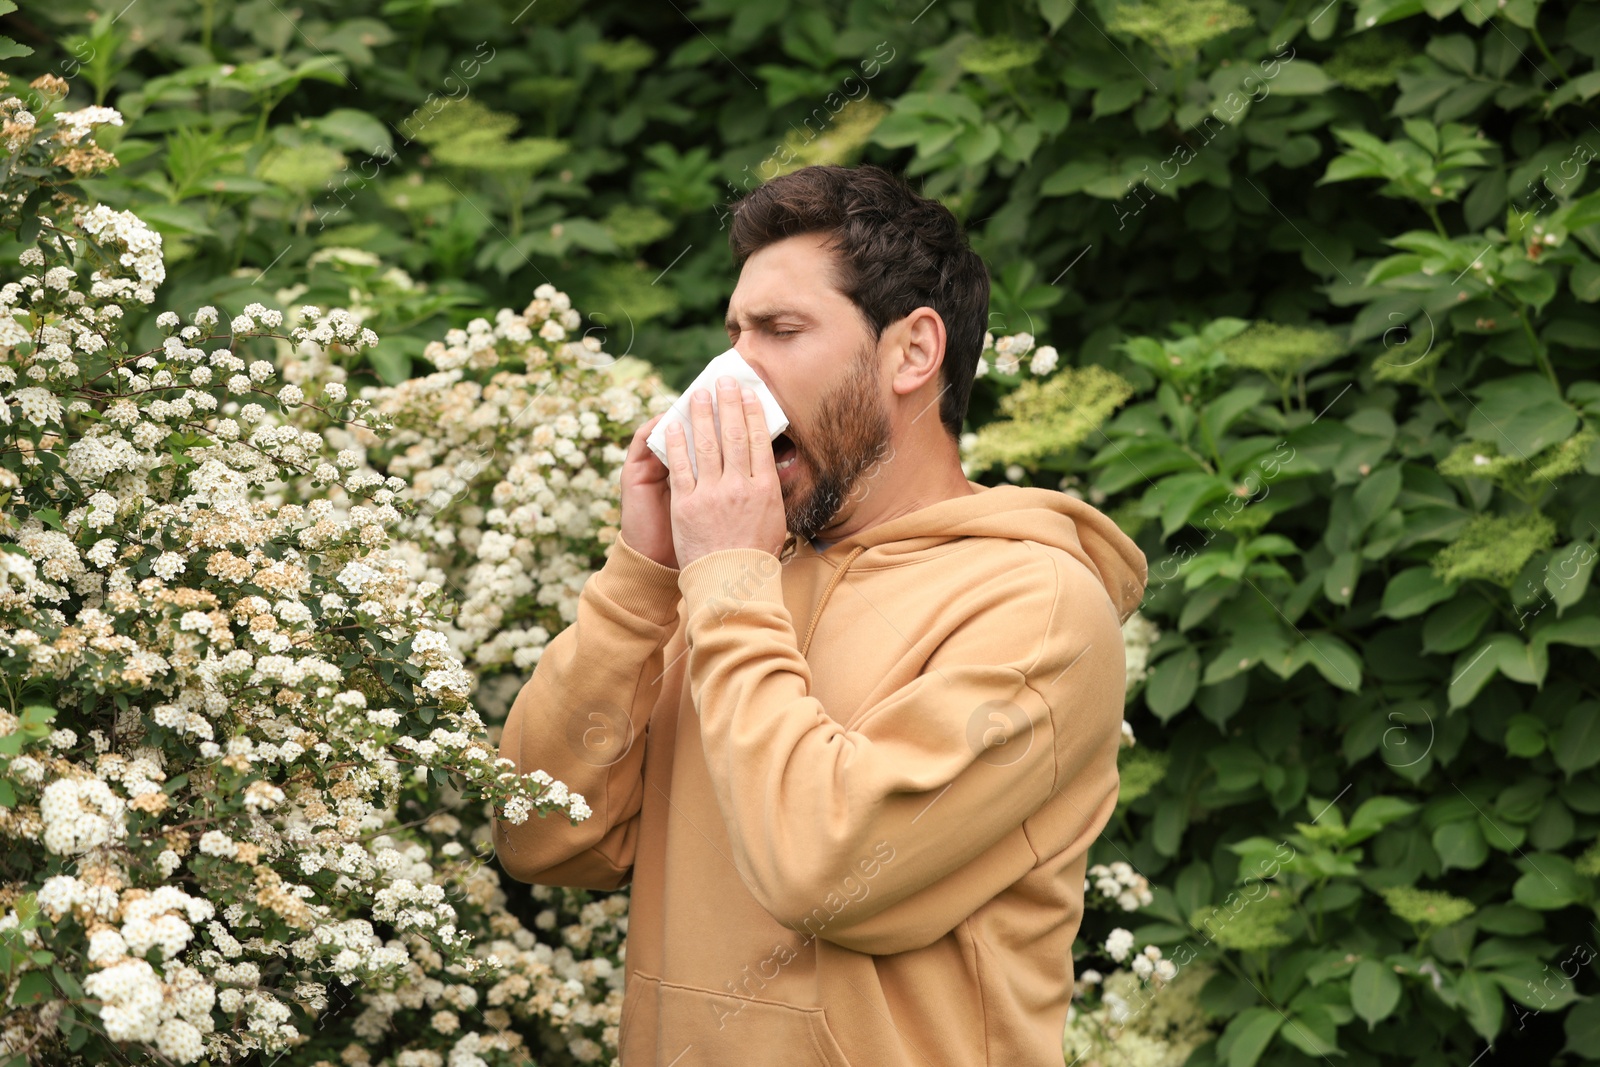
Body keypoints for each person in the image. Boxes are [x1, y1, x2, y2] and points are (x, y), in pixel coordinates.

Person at [494, 163, 1148, 1066]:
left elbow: (826, 870)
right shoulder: (742, 575)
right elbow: (540, 834)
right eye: (732, 334)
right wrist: (645, 575)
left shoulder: (1037, 609)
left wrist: (725, 577)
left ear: (913, 352)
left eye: (780, 331)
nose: (729, 375)